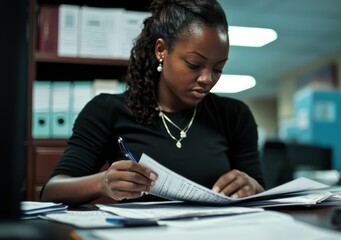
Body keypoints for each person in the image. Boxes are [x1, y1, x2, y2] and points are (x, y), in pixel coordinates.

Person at [41, 0, 265, 206]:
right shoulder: (107, 110)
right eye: (194, 64)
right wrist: (103, 183)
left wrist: (253, 187)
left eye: (218, 68)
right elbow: (52, 191)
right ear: (161, 51)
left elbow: (261, 191)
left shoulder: (235, 115)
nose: (207, 79)